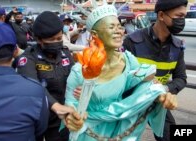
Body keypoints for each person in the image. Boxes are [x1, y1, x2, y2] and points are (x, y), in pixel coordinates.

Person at [63, 2, 178, 141]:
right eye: (112, 27)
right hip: (89, 132)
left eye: (119, 26)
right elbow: (70, 106)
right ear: (94, 34)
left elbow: (144, 85)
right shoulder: (80, 70)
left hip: (120, 130)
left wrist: (160, 94)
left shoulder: (128, 61)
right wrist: (73, 118)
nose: (119, 31)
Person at [123, 0, 188, 140]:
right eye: (179, 16)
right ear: (161, 15)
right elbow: (121, 77)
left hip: (158, 102)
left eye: (184, 16)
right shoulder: (132, 41)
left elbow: (181, 79)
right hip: (131, 103)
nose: (182, 21)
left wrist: (163, 89)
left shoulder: (178, 47)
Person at [16, 11, 75, 141]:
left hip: (62, 117)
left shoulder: (65, 54)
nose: (56, 42)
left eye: (59, 39)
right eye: (51, 40)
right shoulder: (28, 58)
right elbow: (33, 86)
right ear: (39, 39)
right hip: (40, 116)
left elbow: (75, 77)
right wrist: (55, 106)